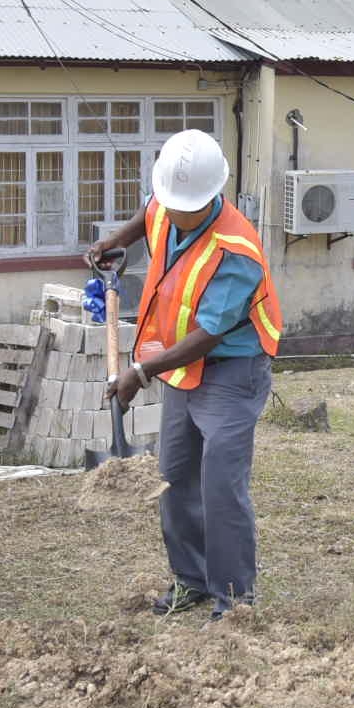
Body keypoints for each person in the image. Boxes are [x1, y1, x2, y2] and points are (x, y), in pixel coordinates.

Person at [88, 130, 282, 619]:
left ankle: (234, 598)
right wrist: (116, 239)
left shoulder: (237, 249)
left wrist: (141, 370)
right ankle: (191, 579)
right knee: (174, 476)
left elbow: (211, 333)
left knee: (220, 485)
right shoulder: (172, 202)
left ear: (213, 193)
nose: (172, 214)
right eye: (168, 203)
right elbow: (151, 213)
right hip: (178, 366)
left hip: (230, 369)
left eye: (183, 207)